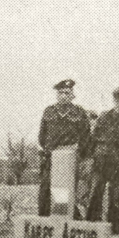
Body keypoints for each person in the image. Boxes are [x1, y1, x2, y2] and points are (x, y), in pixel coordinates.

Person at [37, 79, 92, 217]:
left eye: (67, 93)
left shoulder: (79, 112)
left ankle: (65, 219)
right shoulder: (49, 111)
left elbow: (85, 137)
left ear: (72, 95)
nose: (63, 96)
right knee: (45, 189)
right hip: (51, 157)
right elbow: (42, 136)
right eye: (60, 93)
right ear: (57, 95)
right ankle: (43, 220)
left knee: (64, 190)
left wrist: (79, 154)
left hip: (70, 157)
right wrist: (51, 149)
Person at [86, 87, 119, 233]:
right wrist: (97, 153)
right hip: (100, 162)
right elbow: (94, 138)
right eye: (117, 99)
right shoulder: (103, 117)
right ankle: (91, 227)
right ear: (114, 100)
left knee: (115, 196)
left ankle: (114, 228)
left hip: (117, 163)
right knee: (95, 193)